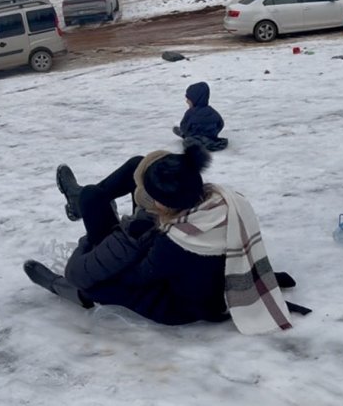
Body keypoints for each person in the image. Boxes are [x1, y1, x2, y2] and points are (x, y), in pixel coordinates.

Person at [24, 143, 308, 333]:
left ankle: (75, 289)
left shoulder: (173, 244)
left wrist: (118, 239)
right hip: (196, 274)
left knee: (101, 281)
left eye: (150, 198)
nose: (144, 200)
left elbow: (134, 278)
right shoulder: (227, 201)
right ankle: (83, 201)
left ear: (163, 205)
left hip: (177, 307)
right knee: (136, 166)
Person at [171, 82, 228, 152]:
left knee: (188, 141)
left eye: (188, 99)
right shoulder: (213, 111)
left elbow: (184, 126)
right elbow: (221, 124)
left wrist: (185, 132)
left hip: (195, 138)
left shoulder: (191, 113)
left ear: (195, 99)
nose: (187, 101)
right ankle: (211, 142)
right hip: (211, 137)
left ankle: (187, 137)